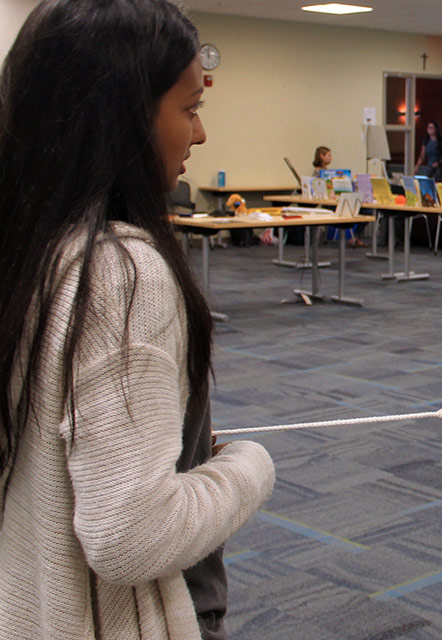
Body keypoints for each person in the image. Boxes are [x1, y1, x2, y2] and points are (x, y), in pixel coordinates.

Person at [0, 1, 275, 639]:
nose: (200, 135)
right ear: (119, 118)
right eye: (190, 109)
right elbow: (132, 535)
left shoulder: (27, 247)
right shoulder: (121, 275)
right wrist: (248, 466)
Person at [313, 144, 367, 247]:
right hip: (329, 202)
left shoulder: (329, 172)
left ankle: (355, 236)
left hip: (338, 200)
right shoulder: (317, 174)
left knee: (366, 211)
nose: (331, 158)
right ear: (321, 156)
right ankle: (353, 237)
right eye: (329, 155)